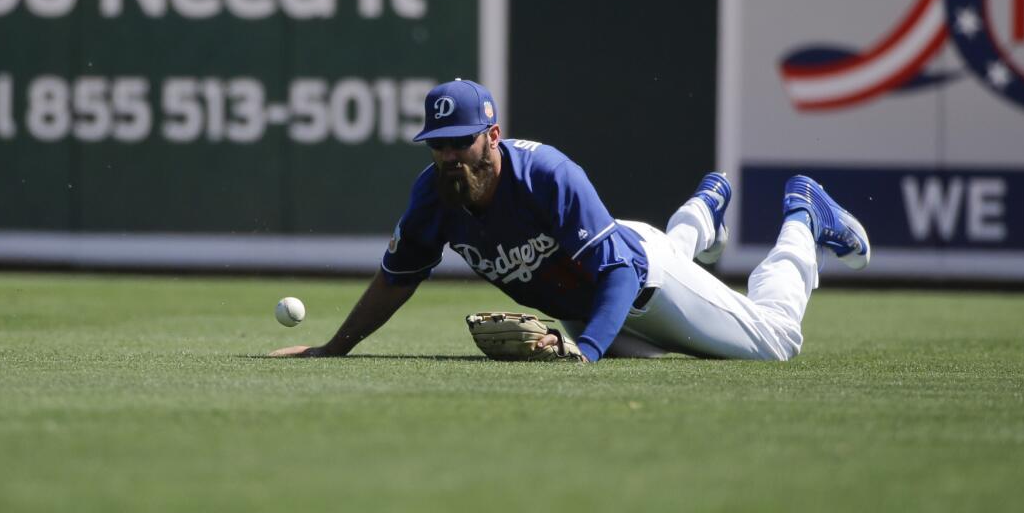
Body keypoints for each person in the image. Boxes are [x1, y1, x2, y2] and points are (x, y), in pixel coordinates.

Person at [272, 79, 870, 362]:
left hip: (638, 283)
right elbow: (396, 279)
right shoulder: (434, 196)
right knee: (656, 363)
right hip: (592, 294)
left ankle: (803, 214)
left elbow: (617, 271)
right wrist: (331, 351)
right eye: (439, 143)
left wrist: (585, 351)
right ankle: (703, 213)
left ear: (492, 136)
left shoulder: (545, 174)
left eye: (462, 141)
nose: (451, 155)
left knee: (774, 344)